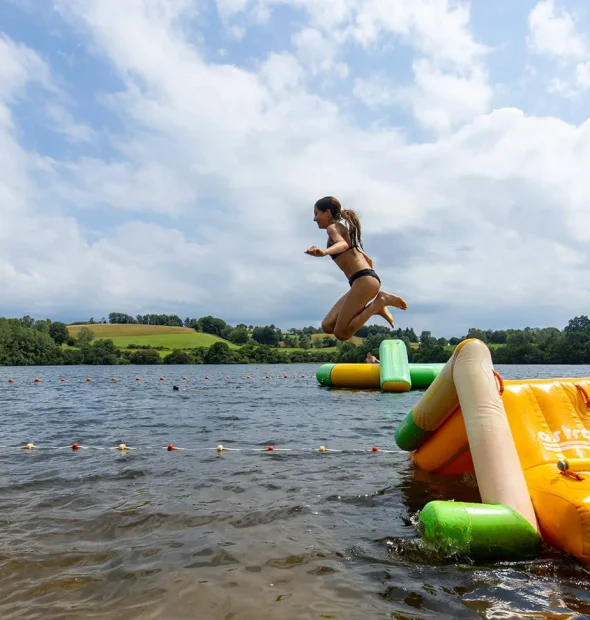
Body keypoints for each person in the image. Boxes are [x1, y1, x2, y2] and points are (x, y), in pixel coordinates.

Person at [305, 196, 407, 342]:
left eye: (316, 213)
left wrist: (324, 252)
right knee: (328, 325)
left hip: (363, 279)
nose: (315, 219)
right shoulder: (344, 231)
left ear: (327, 212)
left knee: (342, 334)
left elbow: (343, 245)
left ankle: (379, 303)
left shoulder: (332, 228)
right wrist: (368, 290)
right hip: (364, 280)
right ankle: (377, 304)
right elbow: (368, 260)